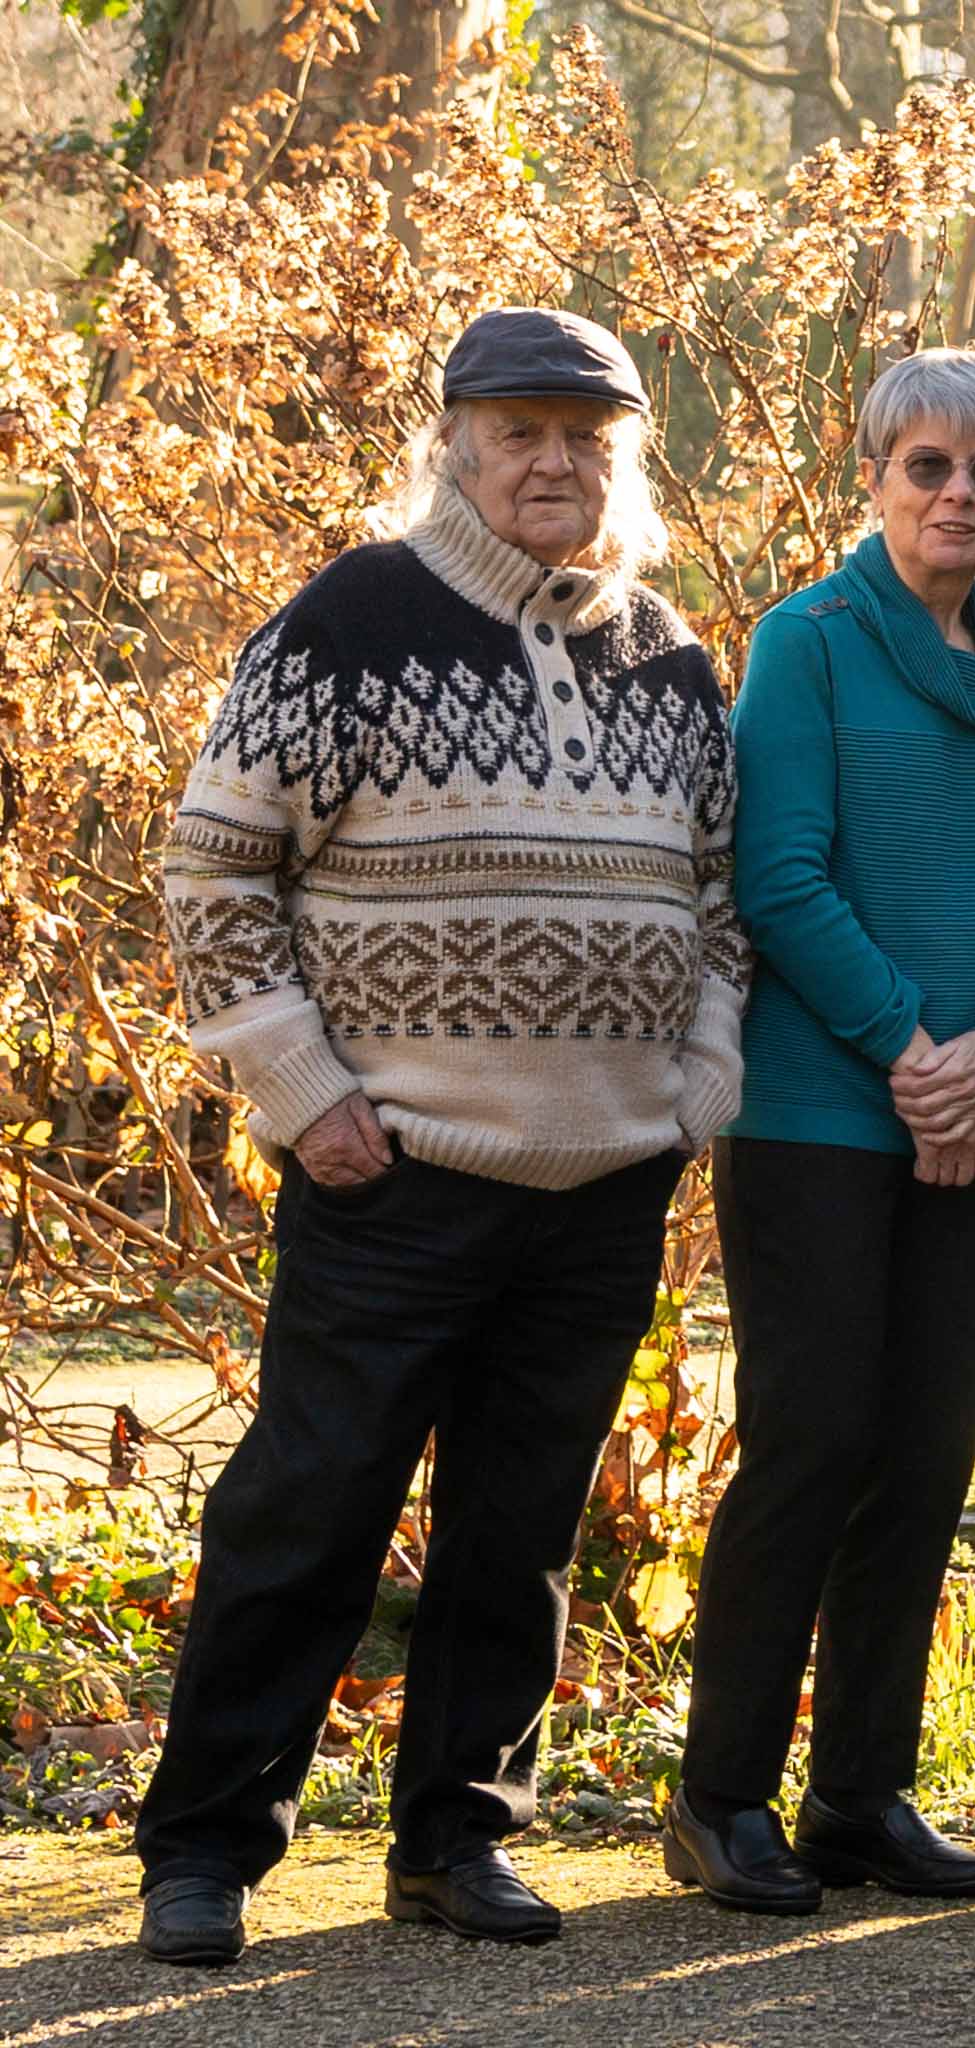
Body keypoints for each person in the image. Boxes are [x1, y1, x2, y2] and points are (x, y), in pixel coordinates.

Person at [137, 308, 746, 1966]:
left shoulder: (667, 655)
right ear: (457, 444)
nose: (555, 463)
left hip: (609, 1176)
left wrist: (700, 1082)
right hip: (389, 1168)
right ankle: (202, 1851)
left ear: (624, 455)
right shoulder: (349, 620)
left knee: (520, 1527)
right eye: (520, 431)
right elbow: (213, 873)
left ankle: (457, 1839)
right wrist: (301, 1093)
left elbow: (715, 898)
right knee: (309, 1508)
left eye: (587, 437)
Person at [663, 350, 975, 1913]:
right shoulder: (810, 642)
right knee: (815, 1442)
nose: (958, 495)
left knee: (923, 1458)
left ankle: (861, 1797)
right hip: (825, 1114)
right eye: (928, 466)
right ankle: (720, 1801)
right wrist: (915, 1054)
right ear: (878, 477)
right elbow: (779, 875)